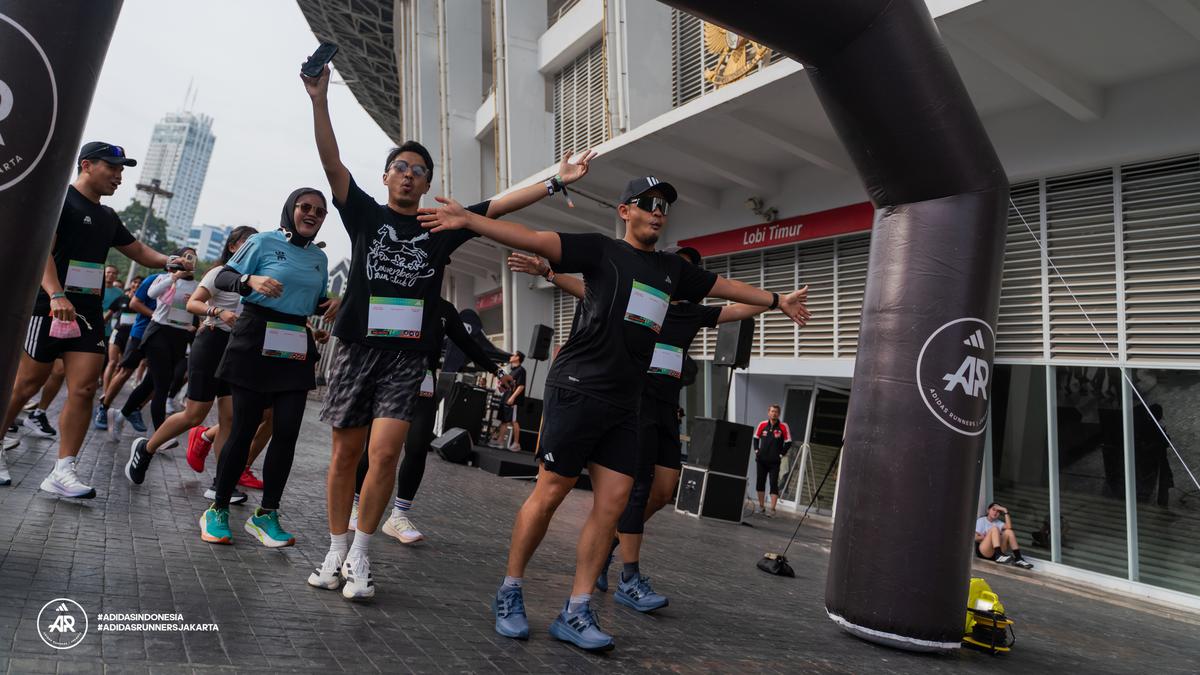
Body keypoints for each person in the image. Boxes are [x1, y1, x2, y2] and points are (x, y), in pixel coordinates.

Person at [418, 175, 811, 651]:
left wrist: (775, 301)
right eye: (648, 202)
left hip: (628, 403)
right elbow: (536, 239)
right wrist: (470, 221)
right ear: (625, 210)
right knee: (550, 494)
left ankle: (577, 610)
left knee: (611, 506)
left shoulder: (672, 271)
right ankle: (511, 590)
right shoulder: (602, 251)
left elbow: (724, 286)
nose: (658, 209)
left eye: (664, 203)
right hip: (578, 390)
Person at [301, 61, 596, 601]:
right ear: (387, 175)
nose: (408, 173)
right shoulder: (364, 214)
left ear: (429, 184)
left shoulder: (442, 225)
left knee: (386, 453)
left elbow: (501, 203)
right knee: (345, 454)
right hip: (357, 349)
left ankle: (363, 554)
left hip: (406, 357)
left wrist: (557, 179)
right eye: (399, 166)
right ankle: (336, 548)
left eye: (418, 169)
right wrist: (320, 98)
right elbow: (331, 161)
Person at [508, 246, 773, 613]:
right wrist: (549, 273)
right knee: (631, 490)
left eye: (686, 273)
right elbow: (589, 290)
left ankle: (612, 543)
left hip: (667, 409)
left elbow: (738, 309)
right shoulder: (644, 299)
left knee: (663, 490)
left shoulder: (693, 313)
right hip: (632, 402)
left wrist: (777, 301)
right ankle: (628, 577)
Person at [0, 142, 190, 497]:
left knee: (86, 388)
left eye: (121, 170)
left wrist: (169, 261)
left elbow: (138, 251)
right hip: (49, 307)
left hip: (87, 314)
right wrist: (56, 294)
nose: (119, 177)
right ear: (87, 165)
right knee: (28, 384)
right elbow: (43, 254)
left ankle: (62, 470)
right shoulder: (61, 202)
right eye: (113, 168)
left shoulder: (108, 217)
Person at [188, 188, 335, 547]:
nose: (311, 214)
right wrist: (248, 281)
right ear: (291, 210)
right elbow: (223, 277)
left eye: (319, 210)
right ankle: (218, 508)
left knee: (286, 430)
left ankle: (266, 514)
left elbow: (311, 300)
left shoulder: (319, 258)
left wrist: (331, 305)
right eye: (305, 207)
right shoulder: (263, 242)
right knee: (243, 427)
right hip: (255, 335)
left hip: (294, 338)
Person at [329, 299, 510, 557]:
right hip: (386, 380)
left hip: (422, 383)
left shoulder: (444, 310)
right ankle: (357, 506)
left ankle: (399, 515)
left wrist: (497, 370)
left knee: (417, 446)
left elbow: (467, 343)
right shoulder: (394, 296)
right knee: (374, 448)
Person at [125, 227, 258, 499]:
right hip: (210, 343)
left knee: (230, 418)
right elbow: (194, 304)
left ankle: (222, 484)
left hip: (236, 350)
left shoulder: (255, 279)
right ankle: (146, 448)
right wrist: (218, 311)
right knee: (195, 414)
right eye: (246, 243)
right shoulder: (219, 273)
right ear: (232, 247)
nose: (251, 249)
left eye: (256, 245)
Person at [119, 247, 200, 434]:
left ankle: (121, 414)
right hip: (158, 333)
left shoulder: (197, 286)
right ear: (176, 259)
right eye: (185, 257)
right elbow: (151, 295)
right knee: (163, 386)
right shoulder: (164, 279)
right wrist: (174, 276)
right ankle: (160, 434)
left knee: (151, 383)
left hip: (179, 337)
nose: (189, 261)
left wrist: (194, 310)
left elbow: (199, 310)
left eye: (192, 258)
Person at [97, 273, 159, 435]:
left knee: (158, 379)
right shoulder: (155, 280)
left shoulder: (186, 288)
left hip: (161, 337)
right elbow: (133, 304)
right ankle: (104, 407)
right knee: (121, 368)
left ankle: (133, 409)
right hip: (133, 334)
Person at [102, 276, 142, 395]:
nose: (137, 285)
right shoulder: (121, 299)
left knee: (120, 366)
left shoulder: (143, 302)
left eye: (140, 283)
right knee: (112, 362)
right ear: (131, 284)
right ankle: (105, 392)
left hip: (131, 338)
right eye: (135, 282)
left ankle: (110, 390)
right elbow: (108, 315)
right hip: (118, 333)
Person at [753, 404, 792, 516]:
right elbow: (755, 438)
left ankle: (773, 510)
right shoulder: (762, 424)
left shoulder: (783, 426)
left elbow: (788, 442)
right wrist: (756, 451)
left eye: (776, 412)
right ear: (768, 412)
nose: (774, 413)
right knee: (760, 482)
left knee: (773, 483)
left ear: (778, 414)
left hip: (774, 462)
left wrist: (781, 455)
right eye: (772, 411)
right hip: (761, 460)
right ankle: (761, 507)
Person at [975, 502, 1034, 569]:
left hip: (994, 553)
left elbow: (1009, 526)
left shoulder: (998, 523)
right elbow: (975, 538)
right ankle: (999, 555)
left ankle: (1018, 559)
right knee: (994, 529)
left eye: (998, 511)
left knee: (1009, 531)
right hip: (984, 552)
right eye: (993, 509)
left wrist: (1005, 510)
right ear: (988, 510)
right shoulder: (981, 521)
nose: (995, 512)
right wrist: (987, 537)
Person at [497, 352, 527, 451]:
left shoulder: (521, 370)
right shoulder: (512, 371)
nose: (510, 356)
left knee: (514, 421)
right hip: (506, 398)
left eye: (513, 355)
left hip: (513, 400)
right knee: (504, 420)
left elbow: (521, 386)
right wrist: (500, 387)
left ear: (518, 357)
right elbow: (508, 386)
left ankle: (516, 443)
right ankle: (500, 442)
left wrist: (513, 397)